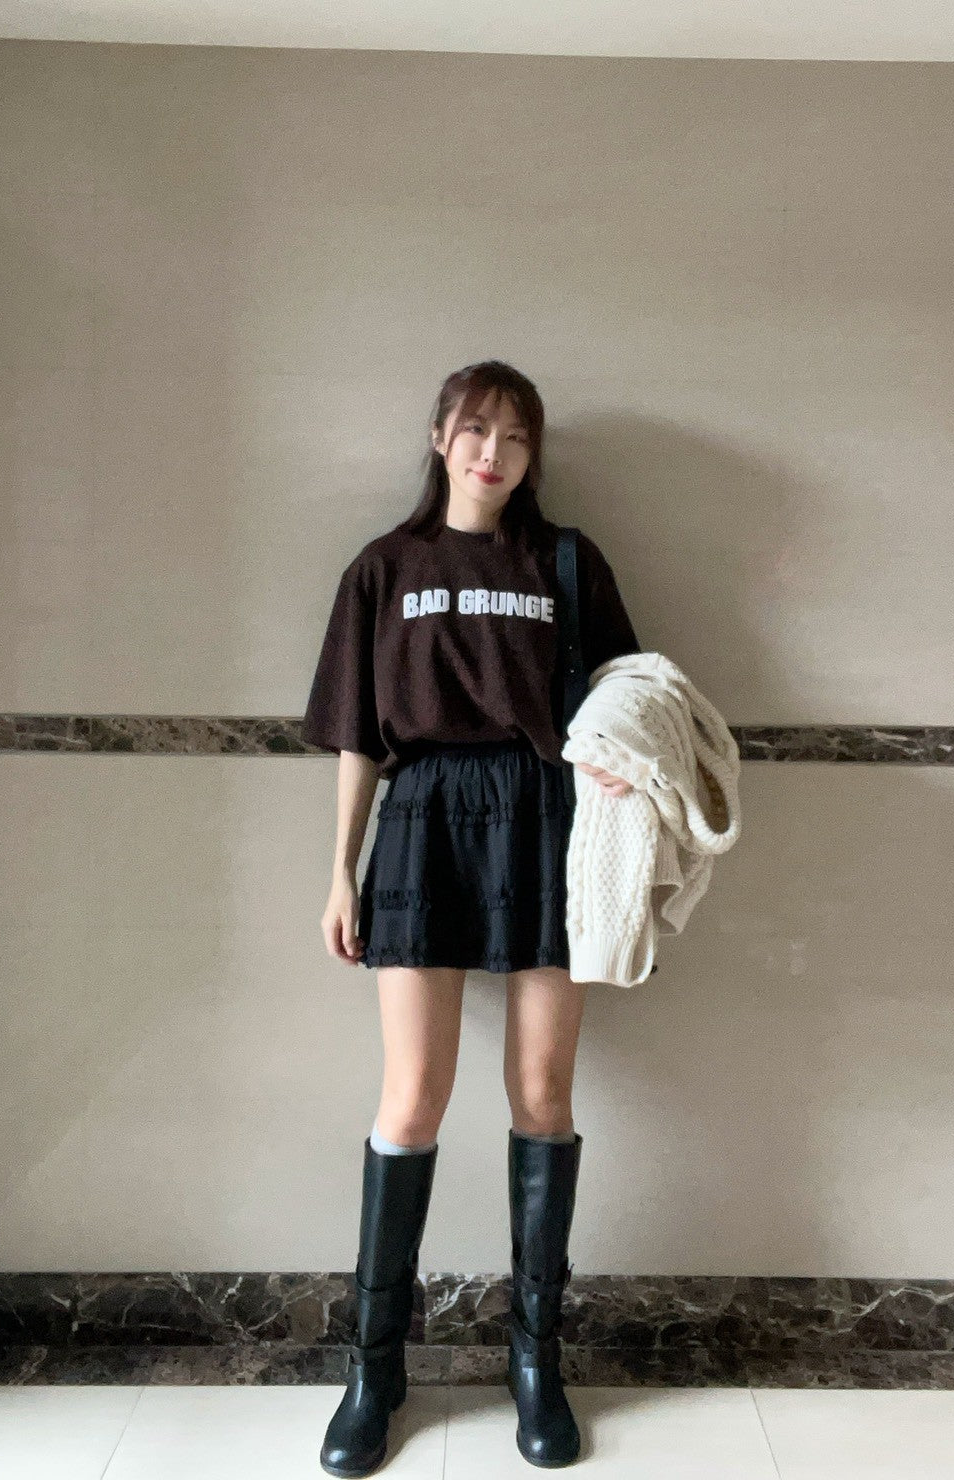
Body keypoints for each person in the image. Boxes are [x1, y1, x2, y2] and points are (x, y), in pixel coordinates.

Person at [302, 360, 641, 1476]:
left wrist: (620, 767)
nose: (494, 452)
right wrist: (340, 872)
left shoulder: (564, 562)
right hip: (423, 817)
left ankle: (534, 1361)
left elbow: (629, 697)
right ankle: (374, 1370)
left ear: (533, 454)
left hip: (544, 817)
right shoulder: (385, 568)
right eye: (476, 429)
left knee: (542, 1092)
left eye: (516, 435)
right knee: (413, 1095)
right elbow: (359, 735)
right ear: (440, 436)